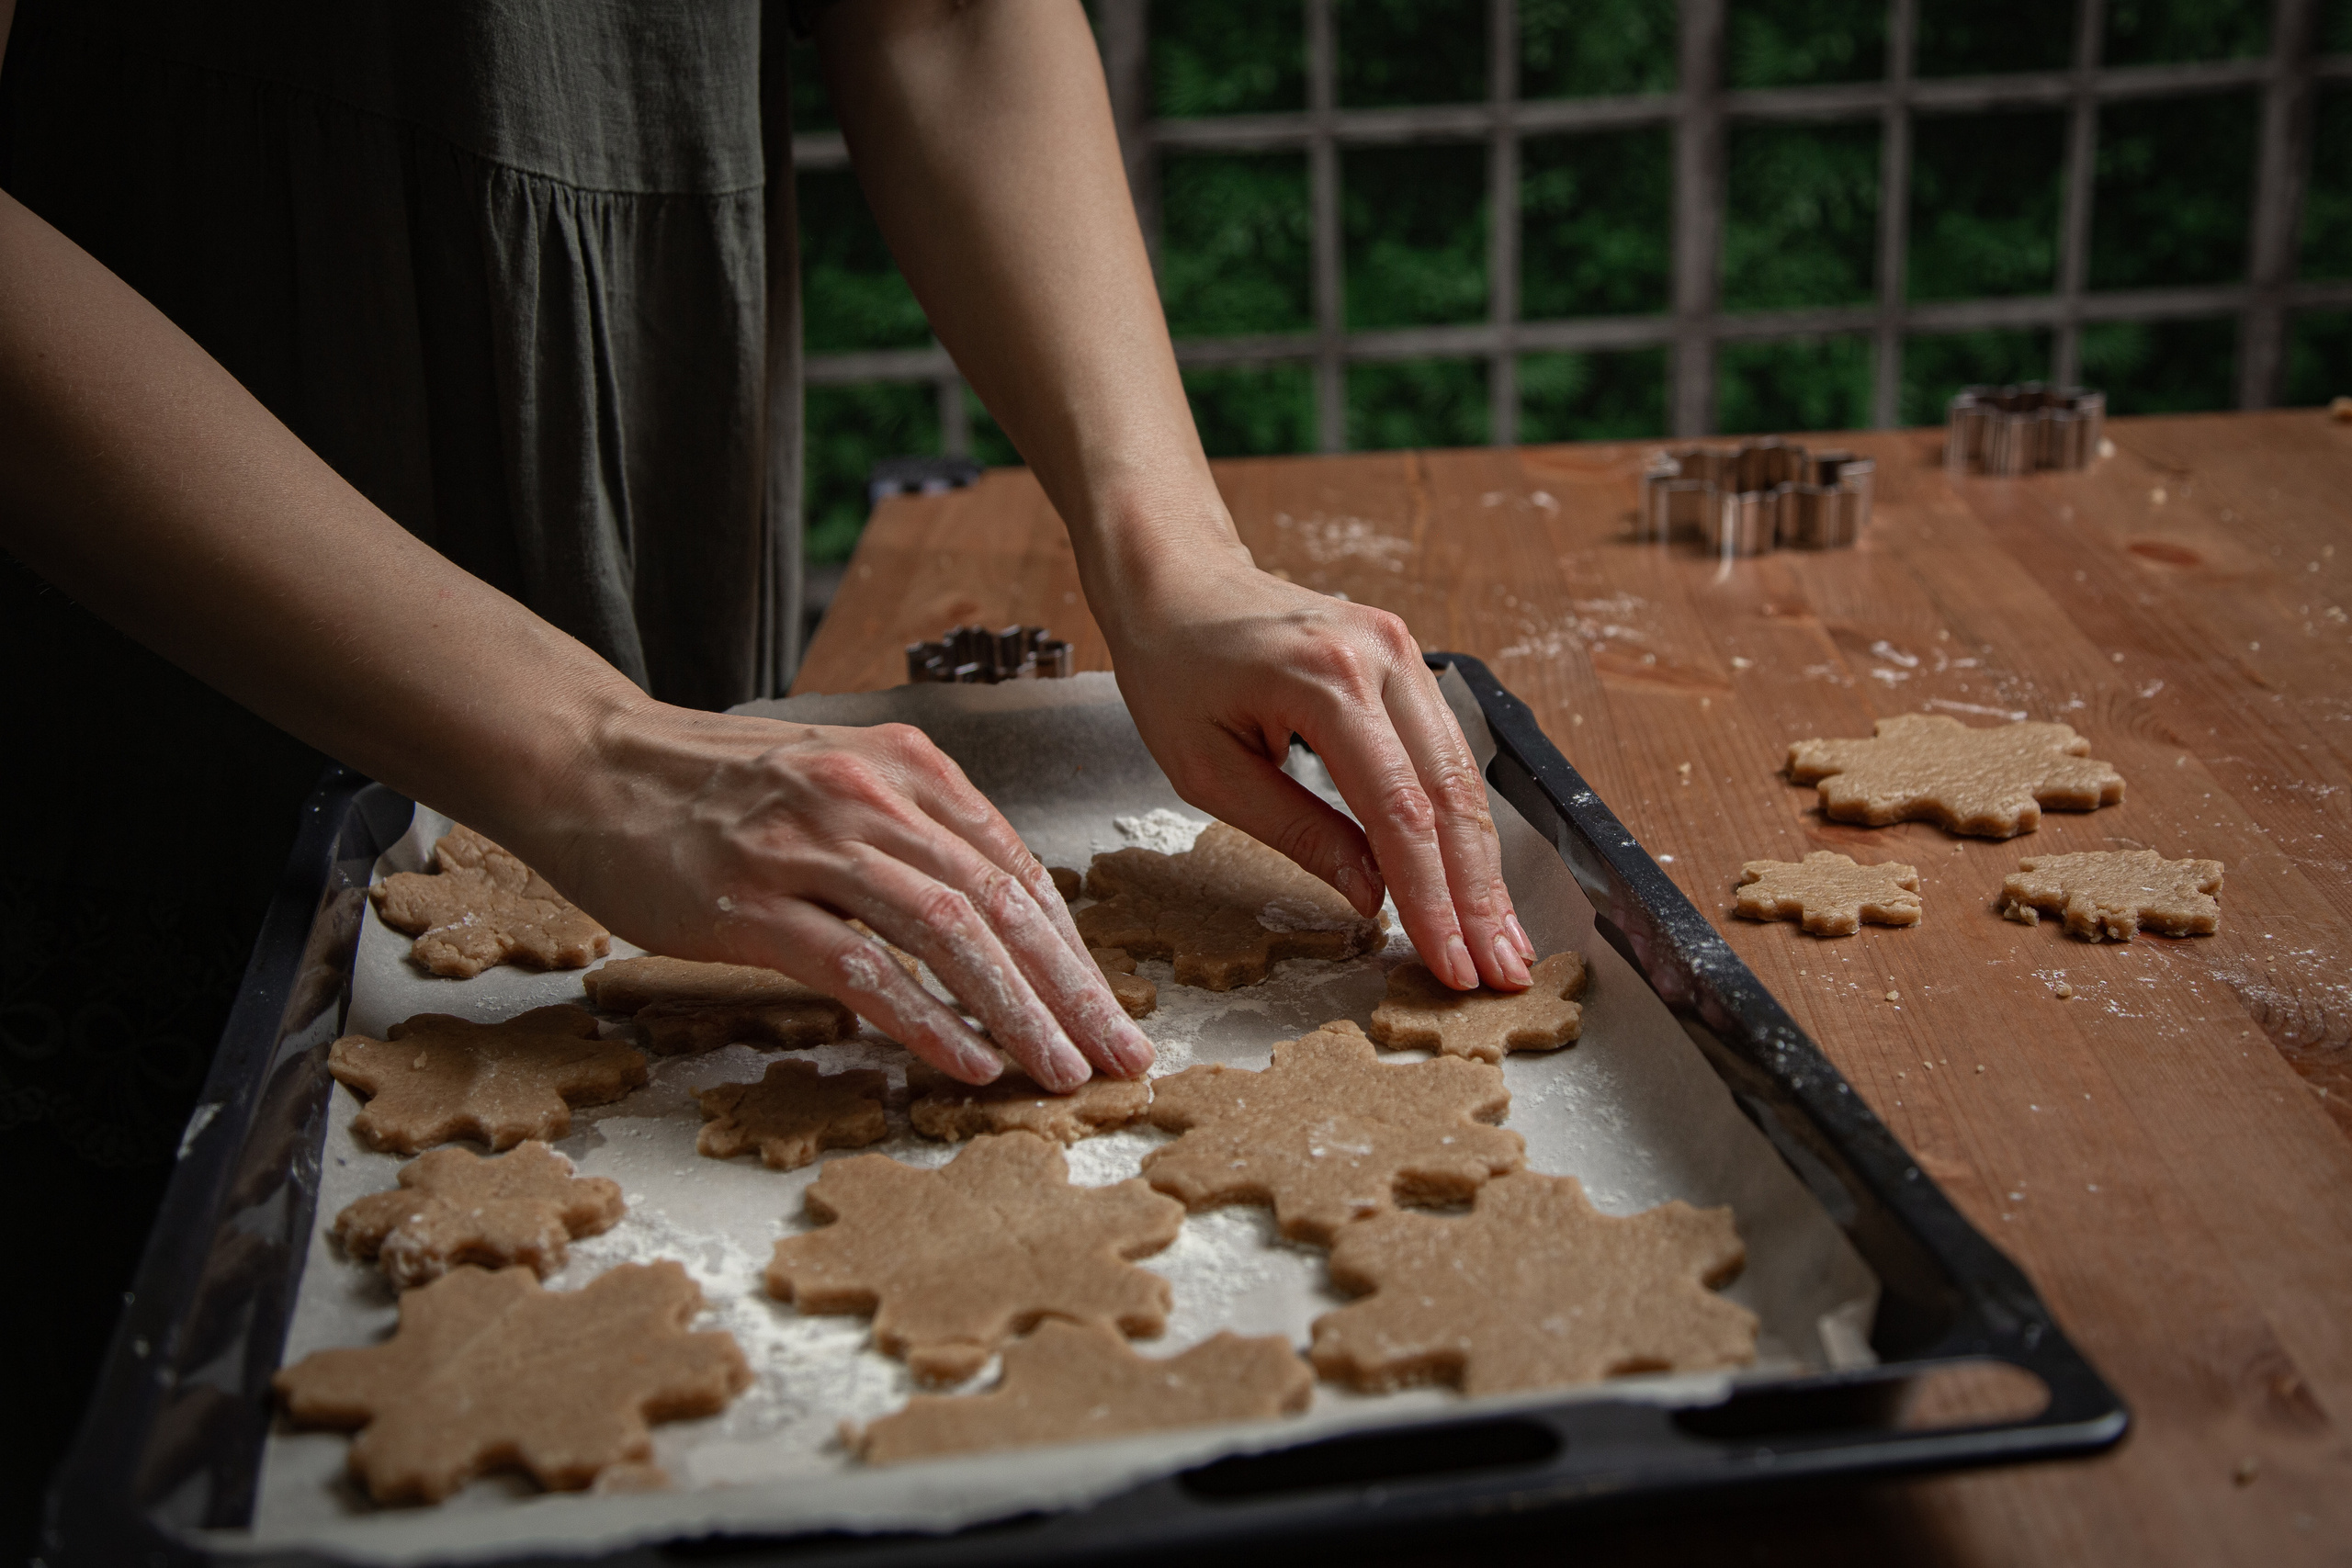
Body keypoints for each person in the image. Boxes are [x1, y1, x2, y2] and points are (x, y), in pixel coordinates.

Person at [0, 0, 1533, 1104]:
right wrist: (589, 753)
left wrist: (1168, 547)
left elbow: (940, 19)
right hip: (162, 597)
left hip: (655, 485)